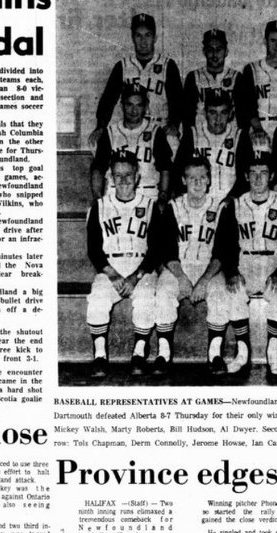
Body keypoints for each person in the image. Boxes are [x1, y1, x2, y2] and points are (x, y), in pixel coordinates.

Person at [84, 151, 176, 378]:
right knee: (97, 298)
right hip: (110, 267)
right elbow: (94, 250)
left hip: (140, 267)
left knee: (146, 297)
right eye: (118, 175)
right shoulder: (99, 206)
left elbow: (156, 249)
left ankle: (139, 354)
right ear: (110, 179)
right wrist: (113, 275)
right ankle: (99, 356)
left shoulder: (150, 205)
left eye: (128, 175)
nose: (123, 180)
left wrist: (136, 276)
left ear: (137, 177)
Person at [220, 154, 277, 378]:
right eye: (253, 174)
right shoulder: (235, 204)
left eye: (263, 173)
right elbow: (225, 245)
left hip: (273, 261)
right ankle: (243, 351)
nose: (258, 179)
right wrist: (231, 271)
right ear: (246, 176)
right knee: (234, 290)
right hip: (245, 261)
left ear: (272, 176)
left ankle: (273, 349)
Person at [157, 157, 238, 376]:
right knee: (163, 291)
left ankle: (215, 354)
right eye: (192, 178)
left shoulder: (221, 207)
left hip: (209, 269)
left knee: (221, 293)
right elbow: (166, 250)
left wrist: (203, 281)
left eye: (202, 177)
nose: (198, 183)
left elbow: (224, 251)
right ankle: (163, 354)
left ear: (210, 179)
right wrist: (182, 278)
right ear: (183, 180)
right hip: (178, 267)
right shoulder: (173, 206)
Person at [91, 13, 183, 144]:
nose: (143, 41)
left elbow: (178, 101)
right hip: (130, 127)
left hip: (159, 127)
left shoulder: (167, 65)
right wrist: (100, 126)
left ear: (155, 37)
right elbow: (108, 100)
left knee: (173, 144)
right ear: (132, 38)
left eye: (148, 35)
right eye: (138, 35)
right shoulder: (122, 66)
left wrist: (174, 124)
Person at [90, 83, 173, 202]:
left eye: (139, 105)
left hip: (148, 193)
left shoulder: (155, 131)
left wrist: (163, 197)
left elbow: (165, 168)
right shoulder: (110, 132)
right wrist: (97, 199)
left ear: (146, 106)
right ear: (122, 105)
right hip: (115, 193)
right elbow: (98, 169)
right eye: (129, 105)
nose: (134, 111)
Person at [235, 20, 277, 152]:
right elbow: (245, 105)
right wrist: (258, 129)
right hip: (261, 128)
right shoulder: (252, 69)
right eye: (273, 40)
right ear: (265, 41)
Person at [174, 89, 252, 201]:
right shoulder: (193, 134)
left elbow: (245, 178)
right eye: (213, 112)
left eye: (223, 112)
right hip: (197, 201)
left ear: (230, 114)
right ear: (205, 113)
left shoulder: (239, 136)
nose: (218, 119)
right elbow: (178, 171)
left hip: (230, 201)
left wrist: (230, 200)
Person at [182, 28, 241, 129]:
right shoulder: (194, 77)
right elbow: (187, 114)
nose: (214, 54)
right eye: (210, 50)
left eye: (219, 49)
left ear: (226, 51)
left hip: (230, 135)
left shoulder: (237, 77)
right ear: (204, 51)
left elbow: (242, 113)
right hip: (200, 135)